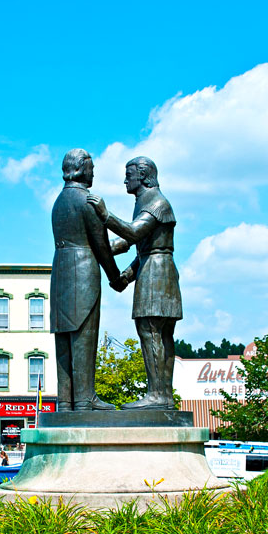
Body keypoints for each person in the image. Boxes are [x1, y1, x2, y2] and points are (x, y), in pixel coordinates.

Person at [93, 156, 181, 410]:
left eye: (128, 175)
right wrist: (124, 274)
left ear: (142, 175)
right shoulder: (145, 201)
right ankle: (163, 396)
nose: (125, 180)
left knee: (151, 330)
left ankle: (158, 395)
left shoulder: (157, 202)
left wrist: (105, 215)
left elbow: (133, 233)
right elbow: (137, 246)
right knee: (159, 333)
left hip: (157, 274)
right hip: (156, 269)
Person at [50, 148, 123, 411]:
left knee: (64, 340)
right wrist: (116, 277)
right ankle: (84, 400)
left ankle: (65, 402)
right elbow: (99, 246)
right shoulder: (88, 201)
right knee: (84, 337)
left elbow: (82, 241)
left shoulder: (59, 202)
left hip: (60, 272)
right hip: (83, 275)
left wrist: (118, 245)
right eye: (91, 168)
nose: (93, 173)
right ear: (81, 168)